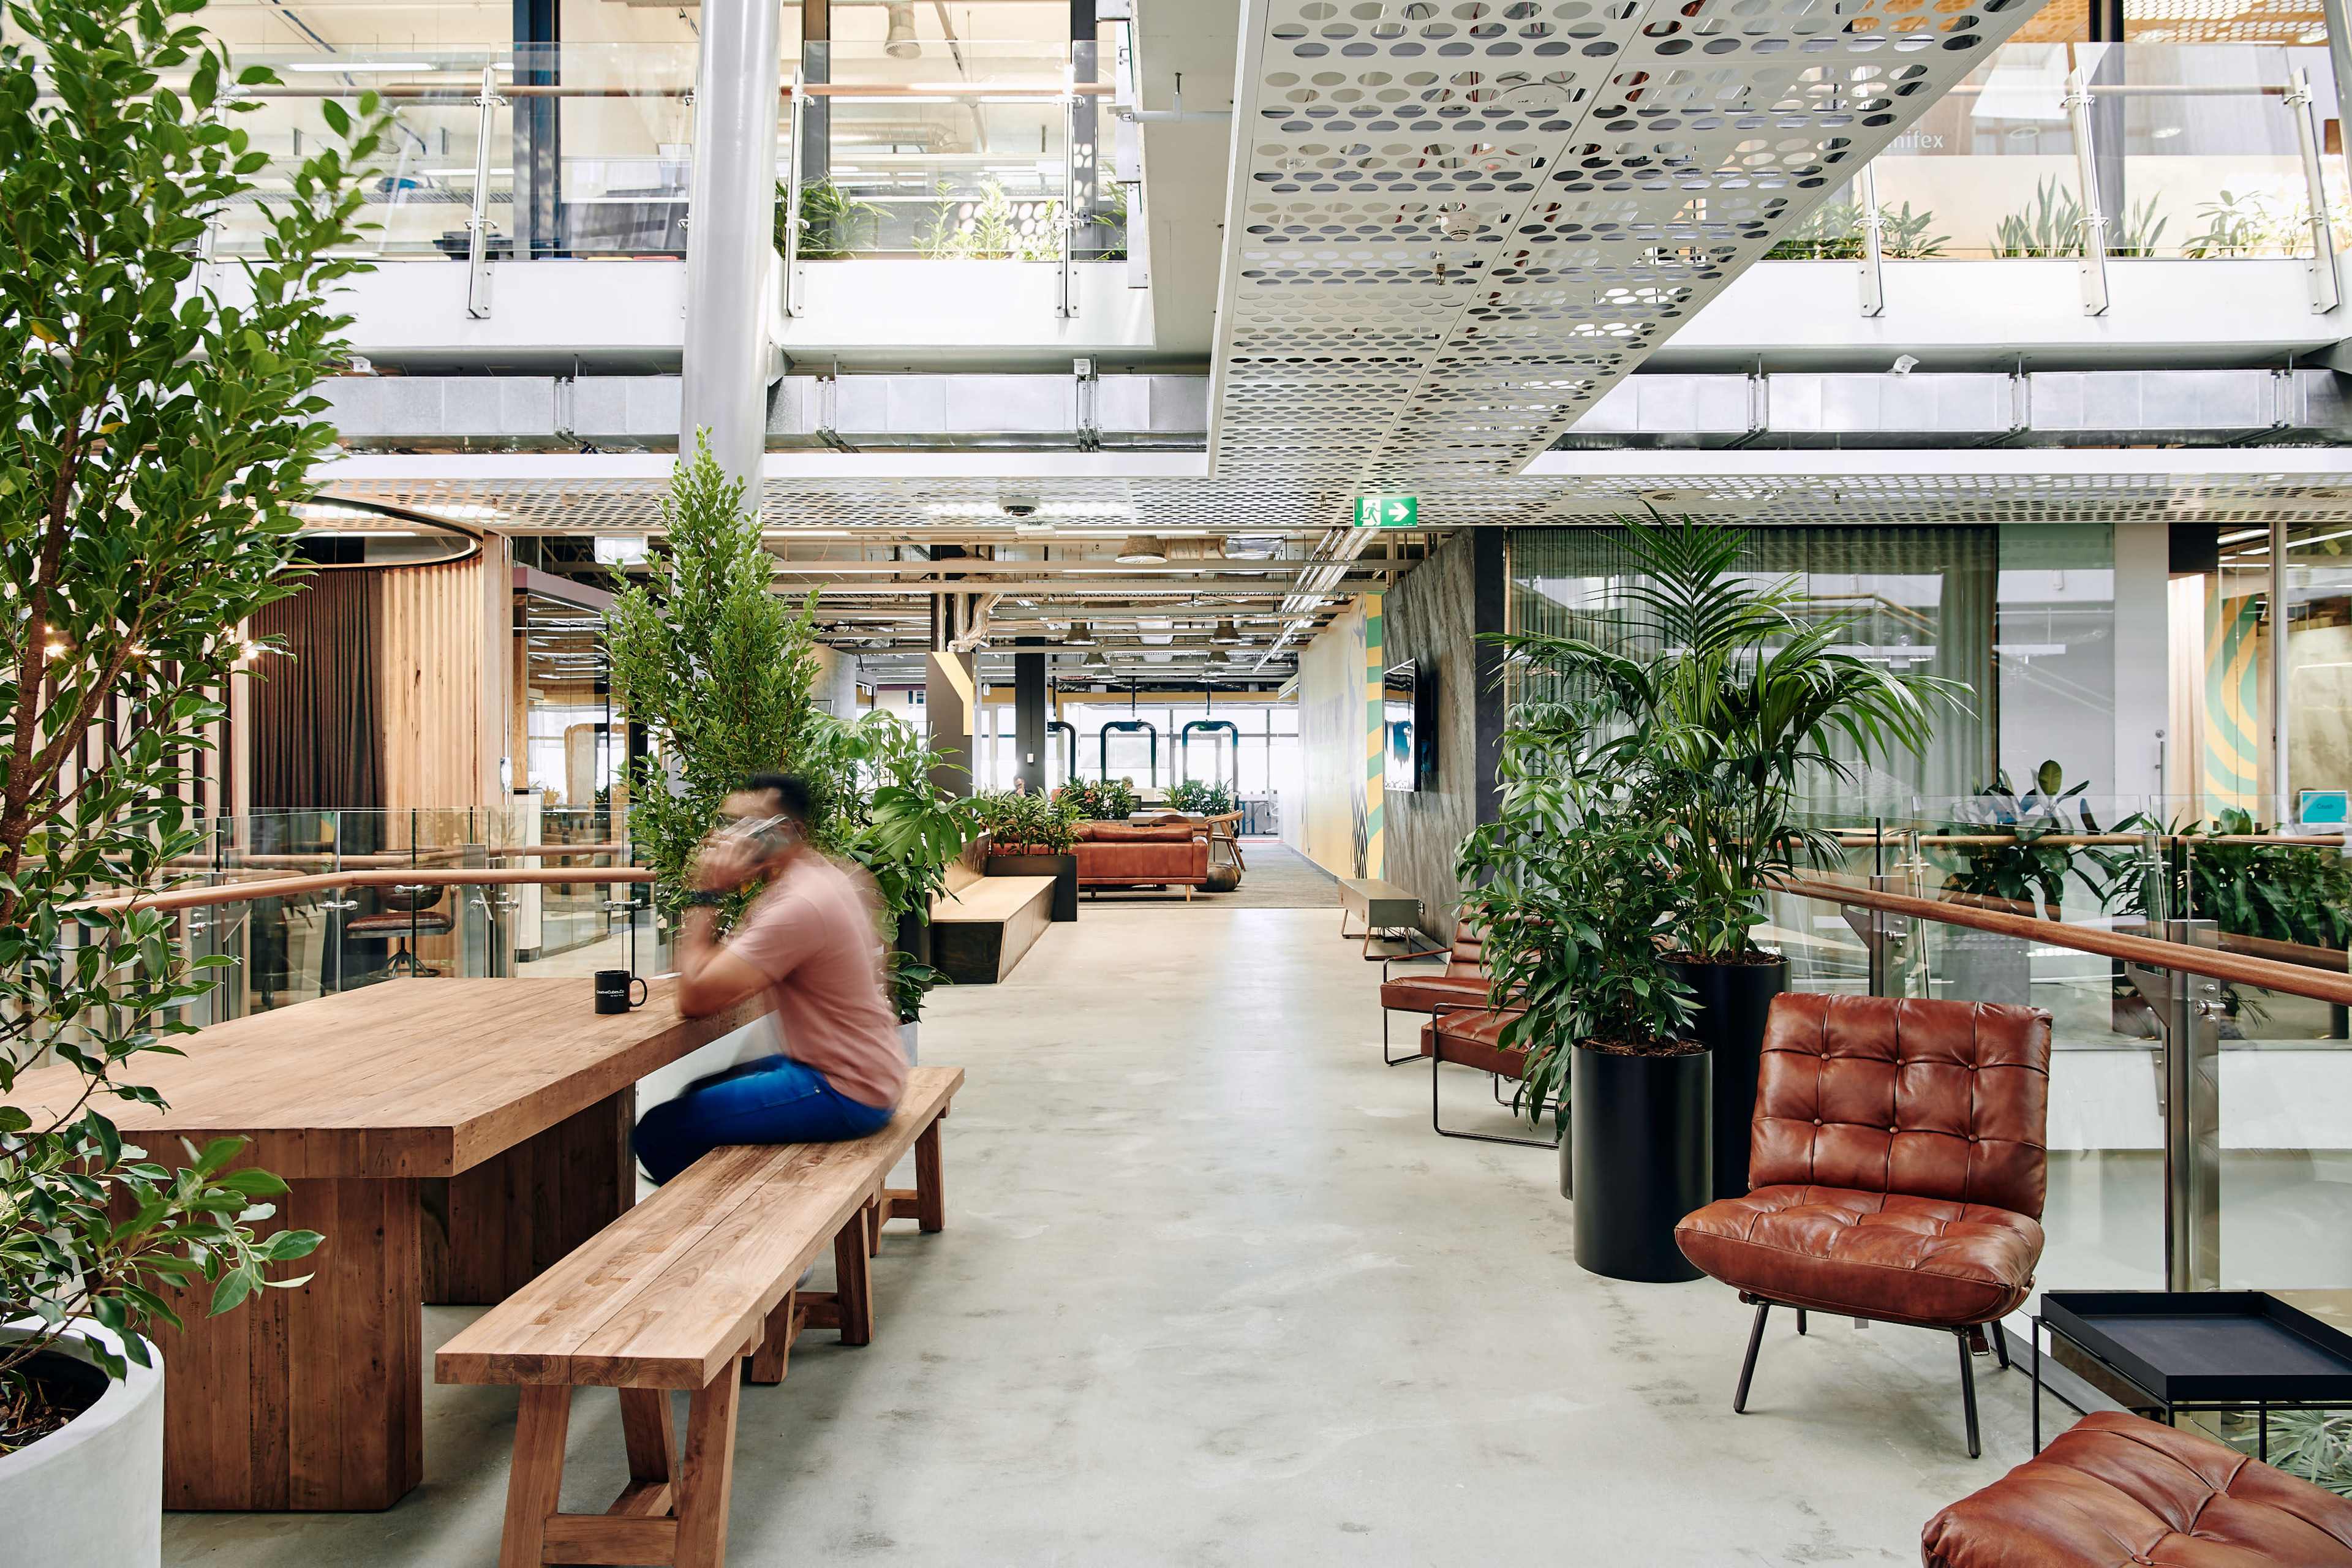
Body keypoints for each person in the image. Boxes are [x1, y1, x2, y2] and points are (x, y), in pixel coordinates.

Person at [632, 772, 907, 1184]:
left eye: (745, 827)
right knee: (698, 1094)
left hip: (843, 1089)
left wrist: (707, 892)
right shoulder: (821, 877)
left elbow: (694, 998)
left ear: (786, 832)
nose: (727, 840)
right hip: (869, 1070)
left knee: (659, 1132)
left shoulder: (799, 904)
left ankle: (721, 1230)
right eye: (725, 825)